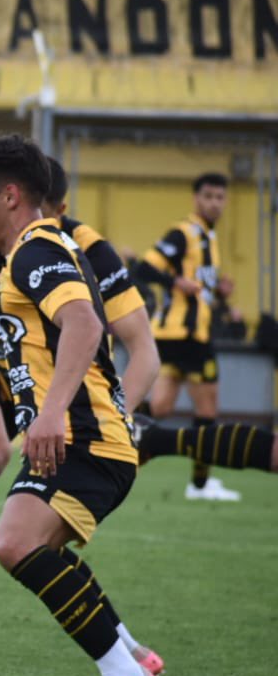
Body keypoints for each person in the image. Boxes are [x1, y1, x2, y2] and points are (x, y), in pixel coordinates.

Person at [0, 135, 160, 676]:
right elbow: (23, 299)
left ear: (10, 196)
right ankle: (131, 658)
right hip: (84, 436)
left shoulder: (35, 250)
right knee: (36, 547)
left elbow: (85, 324)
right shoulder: (35, 252)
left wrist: (50, 412)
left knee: (17, 543)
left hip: (86, 437)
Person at [135, 173, 241, 501]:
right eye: (208, 196)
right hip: (185, 336)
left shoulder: (210, 240)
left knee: (161, 407)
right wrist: (175, 283)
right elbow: (144, 268)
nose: (214, 203)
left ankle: (116, 454)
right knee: (208, 408)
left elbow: (200, 290)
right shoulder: (185, 233)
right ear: (196, 198)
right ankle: (200, 484)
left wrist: (221, 295)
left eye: (220, 197)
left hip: (174, 336)